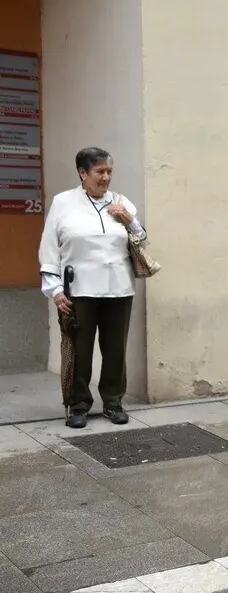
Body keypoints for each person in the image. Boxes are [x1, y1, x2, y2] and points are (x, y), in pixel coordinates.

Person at [38, 147, 145, 429]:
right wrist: (55, 289)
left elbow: (141, 238)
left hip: (119, 289)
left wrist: (129, 219)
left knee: (115, 351)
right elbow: (49, 247)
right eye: (100, 171)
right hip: (79, 290)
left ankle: (113, 402)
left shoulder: (121, 202)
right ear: (83, 173)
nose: (106, 177)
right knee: (80, 351)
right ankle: (78, 405)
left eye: (109, 171)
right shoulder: (63, 203)